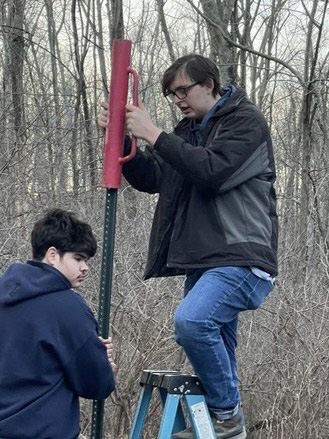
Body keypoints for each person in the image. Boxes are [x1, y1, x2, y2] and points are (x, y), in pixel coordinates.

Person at [98, 54, 278, 439]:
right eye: (171, 94)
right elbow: (154, 177)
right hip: (206, 261)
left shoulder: (245, 123)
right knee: (218, 343)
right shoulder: (188, 132)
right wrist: (127, 139)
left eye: (183, 90)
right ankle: (228, 422)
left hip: (242, 257)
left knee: (192, 322)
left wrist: (154, 134)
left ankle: (227, 415)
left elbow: (212, 171)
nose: (178, 99)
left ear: (209, 85)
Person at [0, 209, 116, 439]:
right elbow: (96, 385)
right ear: (52, 255)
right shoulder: (67, 308)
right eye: (78, 258)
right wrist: (105, 365)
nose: (85, 268)